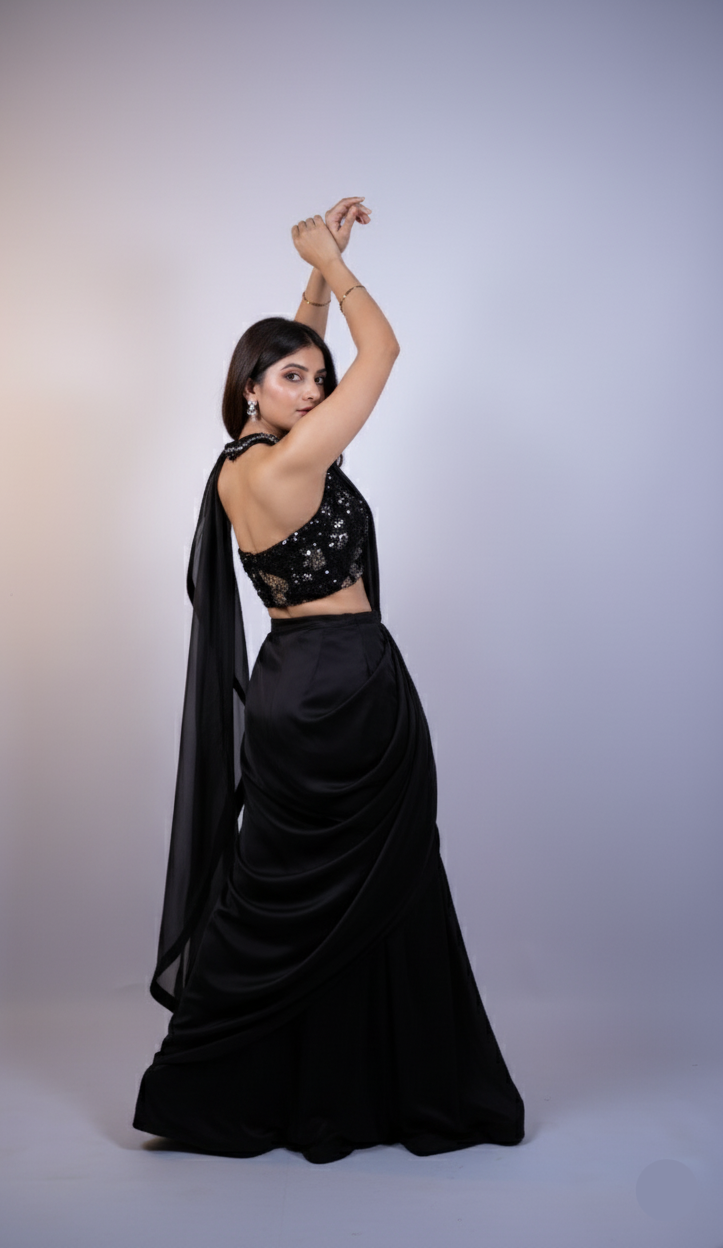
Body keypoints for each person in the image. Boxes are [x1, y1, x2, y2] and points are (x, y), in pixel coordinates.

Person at [133, 197, 525, 1164]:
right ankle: (386, 1085)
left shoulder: (245, 464)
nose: (314, 388)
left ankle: (266, 1083)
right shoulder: (297, 460)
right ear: (251, 391)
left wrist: (311, 284)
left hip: (291, 681)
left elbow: (306, 362)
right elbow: (383, 355)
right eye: (292, 378)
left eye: (316, 379)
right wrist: (340, 274)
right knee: (384, 880)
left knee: (292, 888)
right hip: (346, 683)